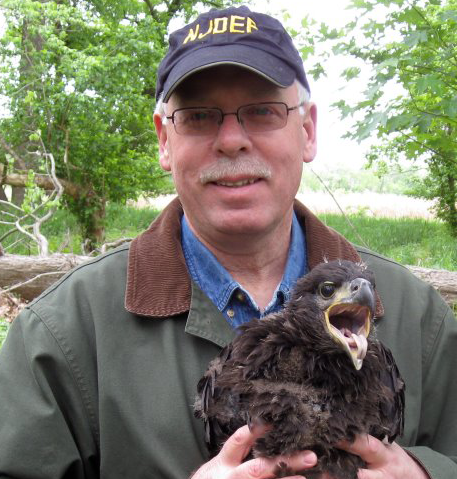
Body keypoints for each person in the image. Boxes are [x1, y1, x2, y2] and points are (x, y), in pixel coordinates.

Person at [0, 5, 456, 479]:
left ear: (307, 131)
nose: (232, 140)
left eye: (262, 112)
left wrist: (427, 474)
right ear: (164, 140)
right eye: (199, 116)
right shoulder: (61, 334)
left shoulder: (420, 319)